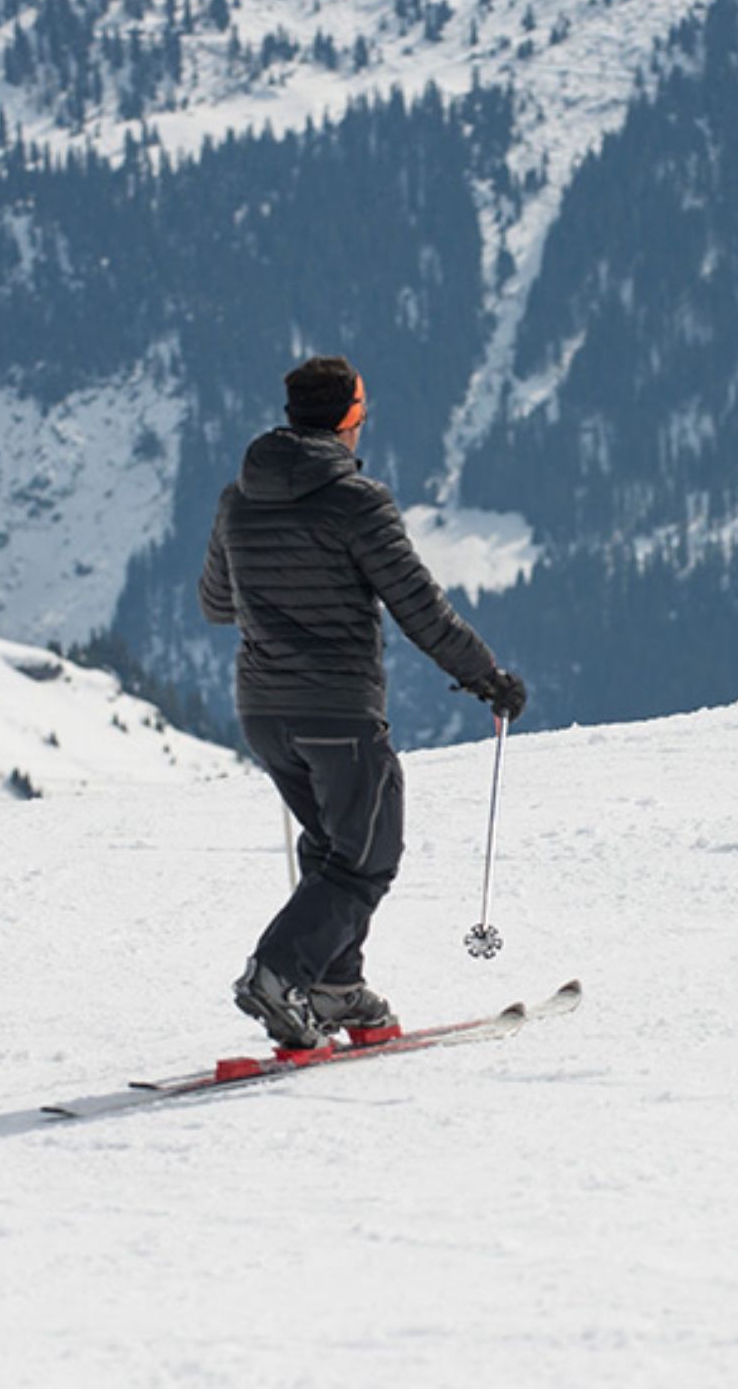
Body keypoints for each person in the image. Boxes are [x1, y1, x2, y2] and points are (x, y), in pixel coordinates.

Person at [200, 355, 527, 1049]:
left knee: (332, 848)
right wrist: (487, 677)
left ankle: (334, 984)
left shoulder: (238, 498)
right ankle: (278, 972)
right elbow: (419, 608)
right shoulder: (358, 502)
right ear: (349, 418)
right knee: (366, 856)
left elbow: (215, 601)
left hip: (264, 712)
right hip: (337, 712)